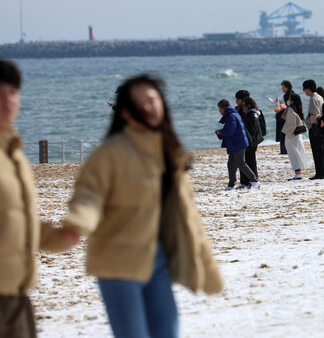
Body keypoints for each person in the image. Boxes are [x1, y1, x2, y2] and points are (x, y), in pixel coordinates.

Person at [61, 74, 223, 338]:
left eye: (152, 99)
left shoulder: (169, 153)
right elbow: (89, 195)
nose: (148, 106)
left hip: (158, 259)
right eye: (139, 102)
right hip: (117, 260)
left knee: (167, 332)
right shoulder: (108, 154)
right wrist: (79, 222)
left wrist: (208, 268)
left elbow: (188, 218)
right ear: (124, 112)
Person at [0, 59, 73, 337]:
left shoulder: (12, 152)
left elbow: (11, 221)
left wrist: (55, 237)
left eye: (13, 93)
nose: (8, 101)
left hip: (16, 292)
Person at [216, 99, 260, 190]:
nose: (219, 111)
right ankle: (231, 184)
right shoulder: (232, 114)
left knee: (241, 163)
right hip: (235, 143)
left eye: (219, 109)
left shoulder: (231, 116)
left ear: (223, 108)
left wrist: (220, 132)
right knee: (231, 164)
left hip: (237, 143)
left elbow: (230, 130)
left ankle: (255, 181)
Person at [281, 92, 309, 180]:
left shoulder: (291, 111)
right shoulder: (296, 109)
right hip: (296, 135)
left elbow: (291, 125)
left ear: (292, 101)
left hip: (292, 135)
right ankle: (298, 173)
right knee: (298, 153)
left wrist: (288, 134)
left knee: (294, 154)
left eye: (289, 99)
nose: (288, 100)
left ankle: (298, 174)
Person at [303, 79, 324, 180]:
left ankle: (320, 173)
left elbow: (315, 115)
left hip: (315, 128)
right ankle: (322, 172)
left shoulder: (314, 98)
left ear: (308, 89)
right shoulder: (319, 97)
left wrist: (308, 121)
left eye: (304, 89)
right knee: (320, 151)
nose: (304, 91)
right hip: (319, 127)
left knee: (317, 152)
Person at [240, 97, 264, 188]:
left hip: (251, 142)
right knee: (249, 160)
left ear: (248, 106)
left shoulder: (252, 114)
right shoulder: (255, 113)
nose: (243, 108)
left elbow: (252, 129)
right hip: (252, 141)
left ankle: (254, 180)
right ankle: (249, 181)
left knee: (250, 161)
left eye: (244, 106)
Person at [275, 80, 293, 155]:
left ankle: (284, 150)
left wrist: (277, 104)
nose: (282, 88)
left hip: (285, 117)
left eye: (283, 87)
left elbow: (285, 106)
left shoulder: (287, 95)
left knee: (283, 134)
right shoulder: (290, 94)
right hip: (287, 117)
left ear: (287, 87)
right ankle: (285, 149)